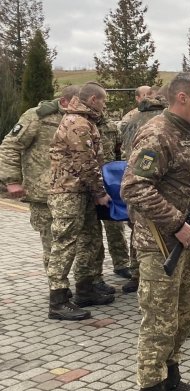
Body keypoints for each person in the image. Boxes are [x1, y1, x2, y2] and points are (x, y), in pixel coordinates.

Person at [121, 72, 190, 391]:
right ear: (182, 98)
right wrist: (177, 223)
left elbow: (179, 175)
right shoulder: (158, 133)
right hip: (161, 245)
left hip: (184, 242)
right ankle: (151, 384)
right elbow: (134, 186)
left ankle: (172, 380)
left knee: (180, 317)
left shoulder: (186, 132)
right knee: (158, 323)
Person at [0, 85, 79, 301]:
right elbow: (9, 146)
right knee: (52, 241)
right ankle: (58, 290)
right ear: (64, 101)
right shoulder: (36, 116)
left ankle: (73, 285)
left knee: (71, 241)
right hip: (42, 192)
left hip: (70, 190)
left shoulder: (78, 118)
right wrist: (12, 181)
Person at [47, 82, 114, 319]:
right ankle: (58, 300)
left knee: (90, 239)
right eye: (103, 100)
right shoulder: (78, 124)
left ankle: (85, 289)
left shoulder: (85, 121)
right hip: (69, 193)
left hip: (80, 191)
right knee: (65, 244)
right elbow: (85, 164)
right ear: (93, 99)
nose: (105, 105)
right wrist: (100, 193)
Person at [119, 91, 168, 294]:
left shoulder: (131, 117)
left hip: (131, 175)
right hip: (158, 183)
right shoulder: (165, 120)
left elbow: (121, 145)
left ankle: (135, 273)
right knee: (156, 234)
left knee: (136, 229)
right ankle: (156, 275)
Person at [96, 112, 131, 282]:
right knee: (90, 233)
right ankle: (93, 274)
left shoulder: (110, 126)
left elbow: (119, 152)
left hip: (109, 183)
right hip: (85, 183)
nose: (104, 106)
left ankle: (122, 264)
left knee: (115, 227)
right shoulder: (77, 124)